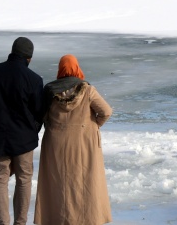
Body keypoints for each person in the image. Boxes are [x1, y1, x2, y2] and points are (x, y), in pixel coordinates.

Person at [34, 54, 113, 225]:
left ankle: (57, 219)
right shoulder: (87, 90)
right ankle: (87, 218)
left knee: (58, 182)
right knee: (84, 181)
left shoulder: (49, 90)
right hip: (84, 143)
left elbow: (40, 116)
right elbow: (106, 111)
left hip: (56, 143)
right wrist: (94, 125)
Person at [0, 37, 45, 225]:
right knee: (24, 180)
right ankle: (20, 222)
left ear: (12, 52)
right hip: (24, 140)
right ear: (29, 57)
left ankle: (2, 223)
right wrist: (33, 130)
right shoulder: (34, 79)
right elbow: (40, 111)